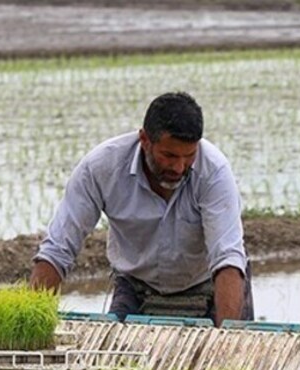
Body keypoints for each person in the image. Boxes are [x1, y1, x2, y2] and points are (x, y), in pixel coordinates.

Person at [30, 91, 253, 325]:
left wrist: (227, 335)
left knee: (233, 344)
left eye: (189, 156)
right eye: (169, 155)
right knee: (117, 347)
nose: (179, 167)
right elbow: (58, 249)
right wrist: (33, 323)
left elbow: (227, 257)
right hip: (137, 285)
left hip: (207, 282)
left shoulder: (214, 172)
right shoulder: (101, 168)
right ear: (145, 140)